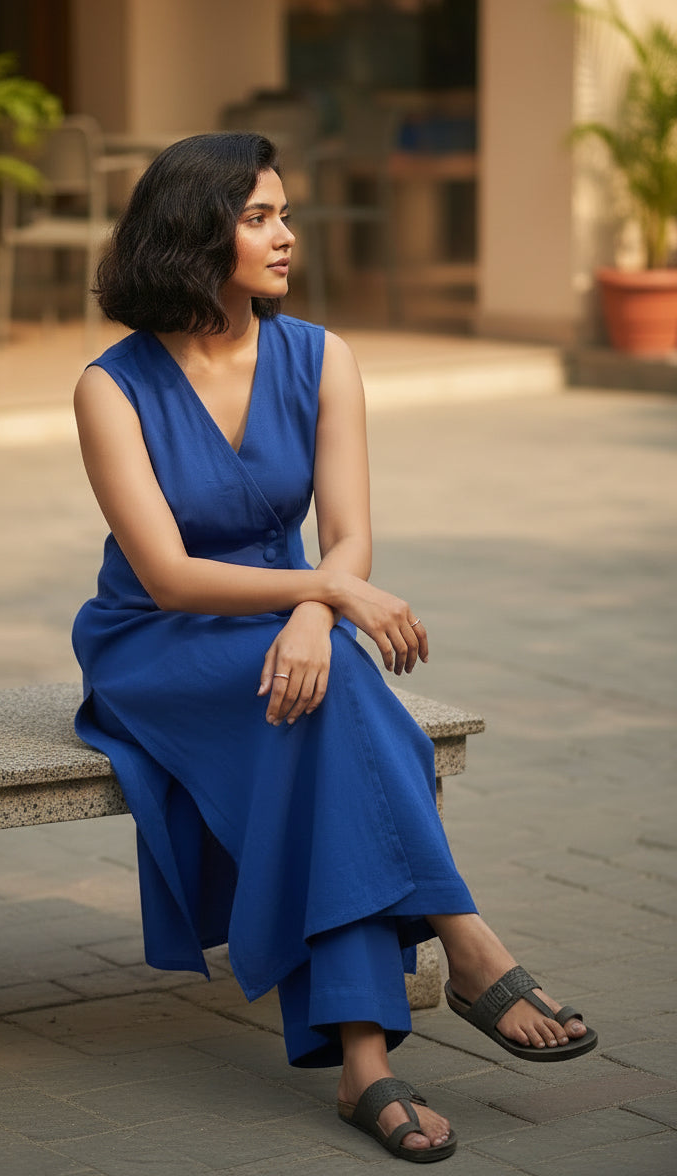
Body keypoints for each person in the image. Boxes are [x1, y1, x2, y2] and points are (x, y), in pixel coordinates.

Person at [71, 132, 597, 1162]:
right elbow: (170, 574)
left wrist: (318, 610)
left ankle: (368, 1064)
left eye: (284, 215)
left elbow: (348, 532)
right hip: (158, 639)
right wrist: (323, 591)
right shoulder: (110, 386)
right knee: (335, 706)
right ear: (193, 231)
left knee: (319, 704)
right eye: (260, 216)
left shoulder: (321, 356)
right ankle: (462, 937)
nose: (287, 236)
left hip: (283, 619)